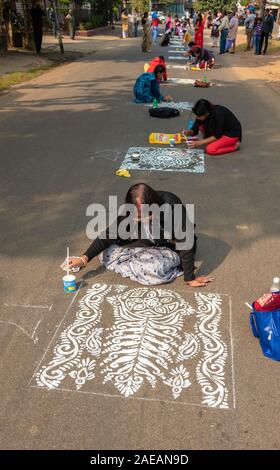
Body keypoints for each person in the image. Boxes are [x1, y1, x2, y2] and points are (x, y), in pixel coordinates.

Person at [64, 184, 214, 288]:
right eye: (137, 215)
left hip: (170, 244)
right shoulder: (131, 210)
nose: (139, 218)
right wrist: (83, 259)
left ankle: (167, 263)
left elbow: (185, 240)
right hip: (145, 242)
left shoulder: (171, 205)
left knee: (156, 269)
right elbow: (108, 235)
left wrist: (189, 278)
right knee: (106, 251)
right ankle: (143, 256)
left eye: (144, 215)